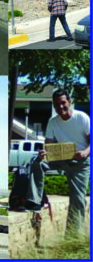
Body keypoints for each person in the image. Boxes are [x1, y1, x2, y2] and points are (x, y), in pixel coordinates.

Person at [25, 89, 90, 234]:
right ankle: (35, 201)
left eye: (63, 103)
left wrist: (85, 152)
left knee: (77, 200)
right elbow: (48, 146)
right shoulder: (52, 122)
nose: (60, 107)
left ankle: (73, 236)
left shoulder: (82, 118)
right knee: (38, 162)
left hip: (80, 162)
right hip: (61, 158)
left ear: (69, 102)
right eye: (56, 105)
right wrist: (43, 153)